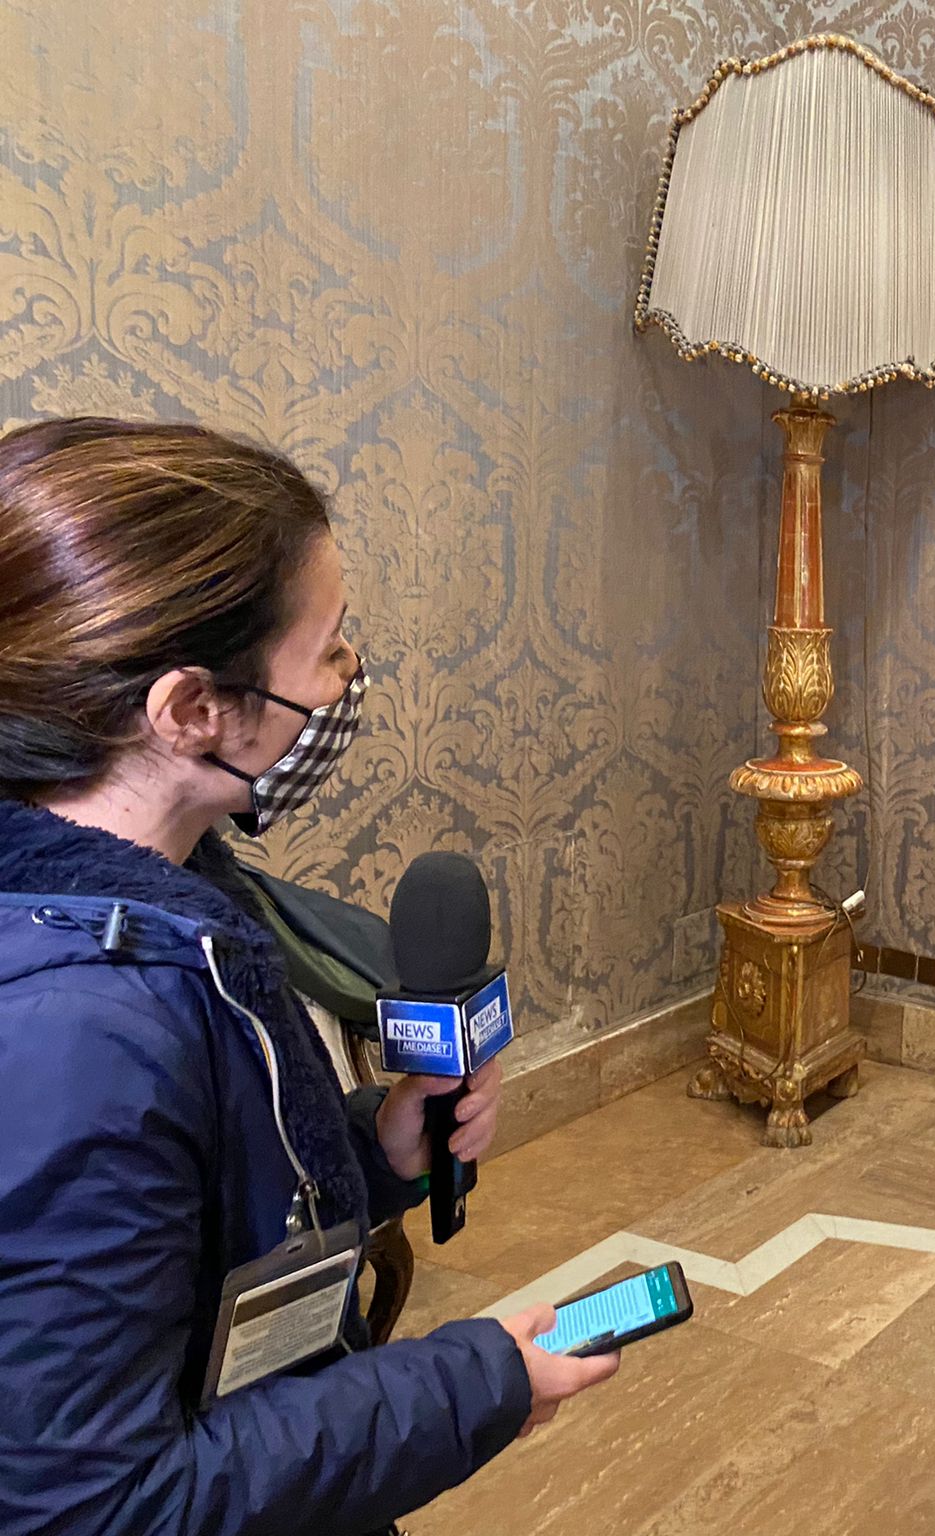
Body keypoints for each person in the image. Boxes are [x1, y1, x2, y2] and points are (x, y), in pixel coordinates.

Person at [0, 418, 616, 1535]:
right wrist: (476, 1382)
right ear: (193, 711)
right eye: (329, 649)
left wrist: (375, 1151)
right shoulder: (78, 1026)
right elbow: (102, 1507)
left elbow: (195, 1235)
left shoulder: (178, 909)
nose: (349, 679)